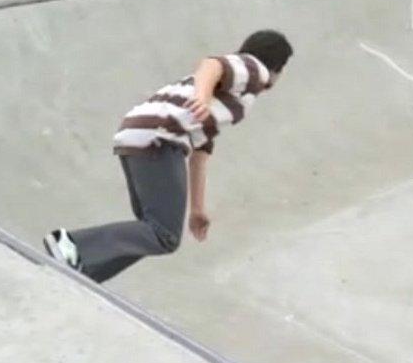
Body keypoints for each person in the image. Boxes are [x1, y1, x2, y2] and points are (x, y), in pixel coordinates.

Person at [43, 30, 294, 283]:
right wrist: (203, 98)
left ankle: (85, 272)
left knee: (153, 229)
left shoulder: (234, 99)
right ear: (278, 68)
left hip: (139, 134)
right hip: (160, 138)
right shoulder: (254, 69)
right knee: (164, 234)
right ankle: (72, 244)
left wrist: (197, 210)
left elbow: (200, 155)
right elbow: (213, 65)